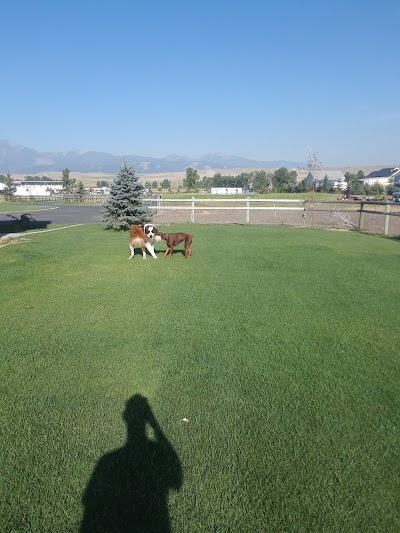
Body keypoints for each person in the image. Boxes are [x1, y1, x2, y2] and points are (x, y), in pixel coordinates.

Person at [81, 395, 182, 532]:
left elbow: (89, 502)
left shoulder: (107, 461)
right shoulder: (157, 454)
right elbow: (177, 480)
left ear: (125, 416)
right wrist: (154, 424)